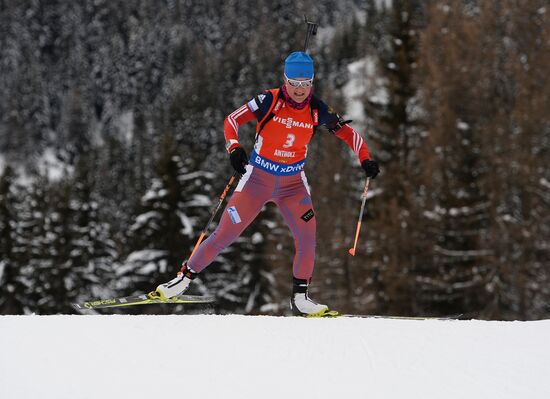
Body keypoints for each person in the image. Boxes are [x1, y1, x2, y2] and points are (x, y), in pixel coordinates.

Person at [156, 51, 379, 316]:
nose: (299, 89)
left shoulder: (318, 109)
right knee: (224, 233)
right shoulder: (268, 100)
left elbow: (347, 132)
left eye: (305, 83)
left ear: (312, 83)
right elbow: (232, 120)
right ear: (285, 80)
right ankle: (183, 279)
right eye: (293, 83)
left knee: (308, 239)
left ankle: (300, 298)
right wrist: (234, 148)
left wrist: (365, 159)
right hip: (257, 180)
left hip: (293, 185)